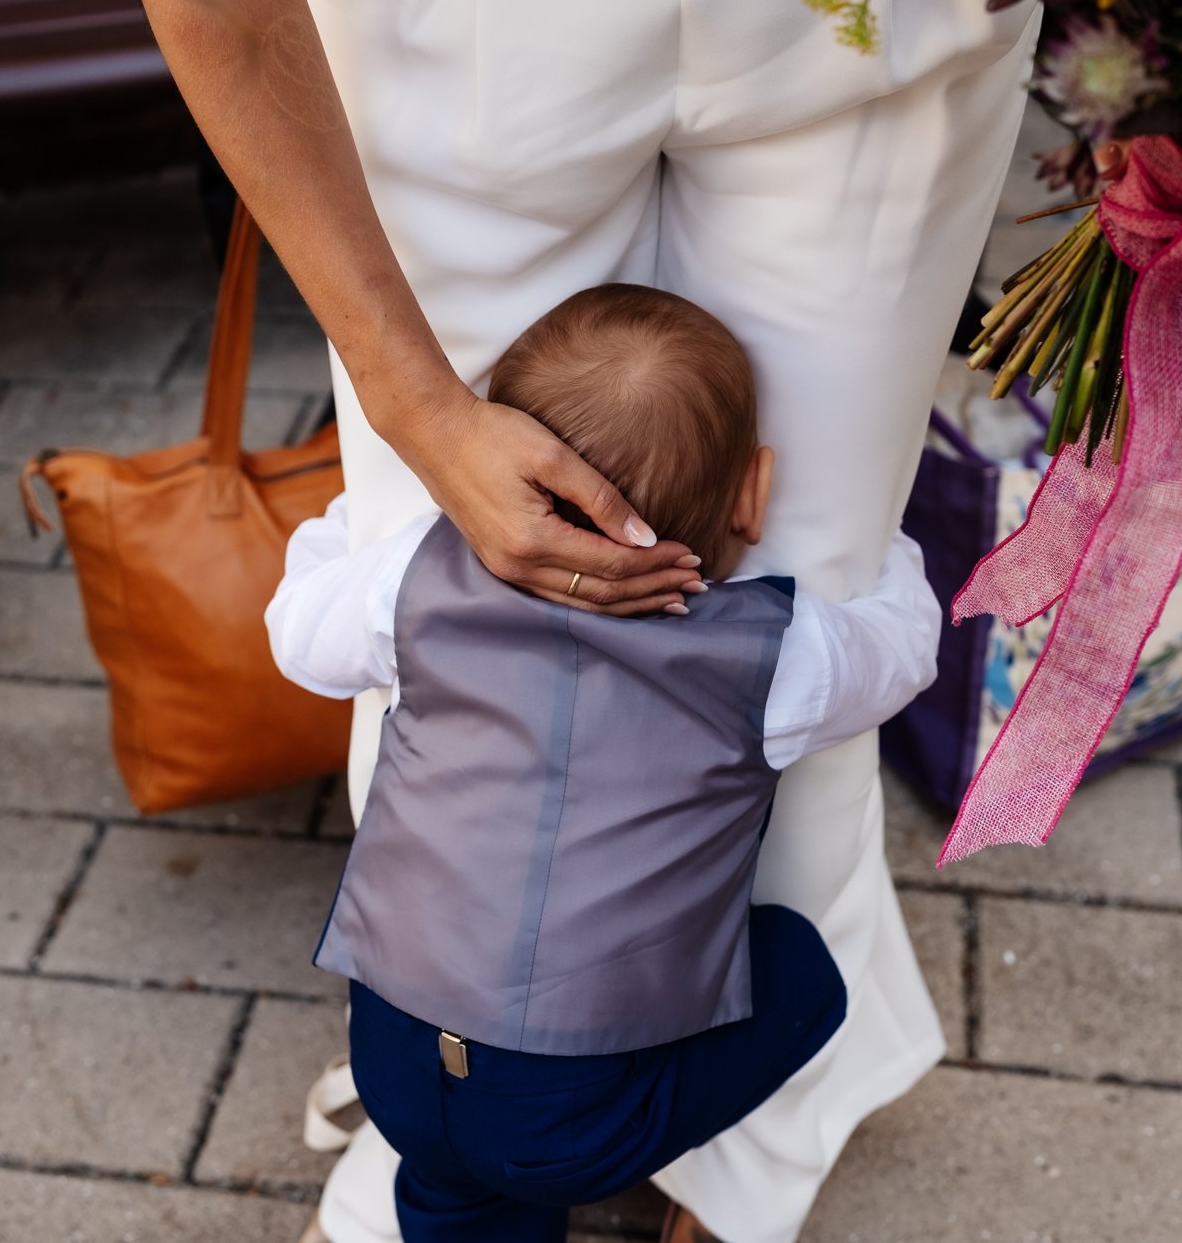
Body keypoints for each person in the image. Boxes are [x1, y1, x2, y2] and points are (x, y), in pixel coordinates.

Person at [108, 0, 1182, 1237]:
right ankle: (703, 1128)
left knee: (440, 581)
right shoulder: (771, 641)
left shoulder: (402, 602)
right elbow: (872, 636)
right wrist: (415, 405)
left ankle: (570, 1136)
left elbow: (326, 616)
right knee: (806, 581)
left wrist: (399, 494)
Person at [266, 285, 943, 1243]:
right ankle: (692, 1178)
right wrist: (891, 541)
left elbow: (297, 636)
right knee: (804, 970)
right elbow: (906, 649)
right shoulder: (775, 659)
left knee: (464, 1191)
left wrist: (357, 521)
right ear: (753, 493)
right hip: (571, 1116)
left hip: (394, 1055)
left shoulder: (412, 579)